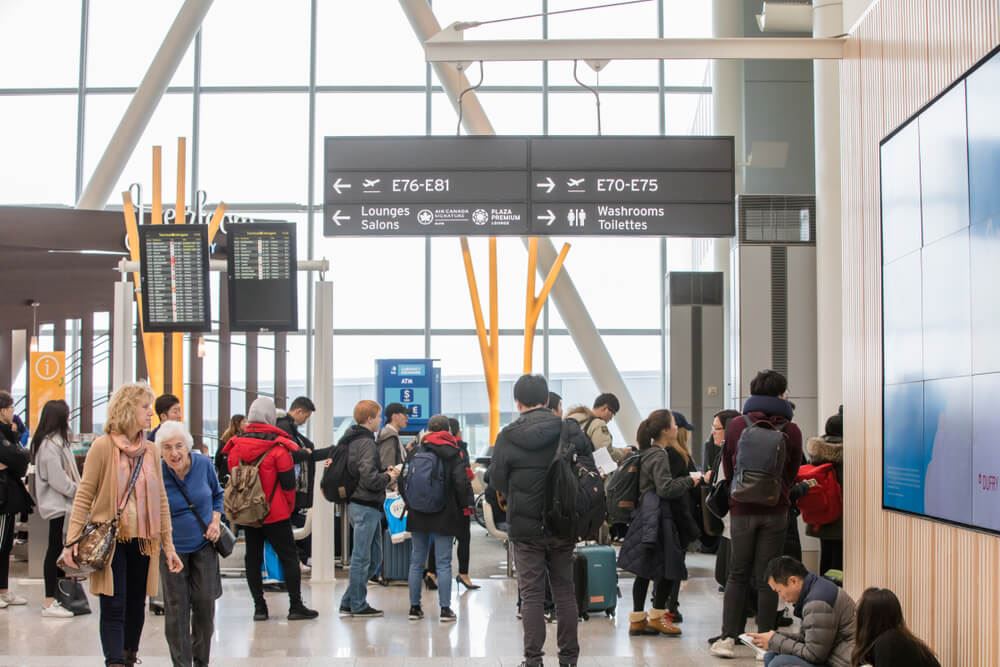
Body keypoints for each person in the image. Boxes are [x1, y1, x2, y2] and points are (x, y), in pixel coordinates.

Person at [61, 383, 183, 667]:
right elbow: (84, 494)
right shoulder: (103, 447)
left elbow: (161, 501)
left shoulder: (151, 450)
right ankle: (114, 661)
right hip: (112, 540)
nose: (149, 413)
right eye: (144, 407)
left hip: (144, 540)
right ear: (128, 409)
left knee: (136, 604)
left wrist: (169, 546)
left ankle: (129, 656)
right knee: (113, 604)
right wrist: (72, 540)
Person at [711, 370, 804, 659]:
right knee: (767, 577)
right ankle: (763, 644)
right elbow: (792, 469)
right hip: (775, 510)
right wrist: (780, 493)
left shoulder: (737, 424)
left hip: (741, 510)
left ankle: (727, 638)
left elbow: (727, 464)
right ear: (780, 394)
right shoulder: (791, 429)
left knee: (737, 574)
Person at [490, 374, 580, 667]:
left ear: (517, 402)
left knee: (531, 594)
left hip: (526, 526)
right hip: (563, 522)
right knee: (565, 590)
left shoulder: (507, 435)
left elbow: (497, 479)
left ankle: (533, 660)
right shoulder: (568, 430)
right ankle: (568, 659)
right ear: (546, 400)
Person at [221, 396, 318, 622]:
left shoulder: (235, 446)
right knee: (289, 557)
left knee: (252, 558)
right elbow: (288, 486)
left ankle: (259, 608)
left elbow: (236, 479)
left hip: (248, 513)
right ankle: (295, 606)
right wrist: (287, 507)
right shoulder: (278, 448)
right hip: (276, 513)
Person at [618, 409, 700, 638]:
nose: (676, 427)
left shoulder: (648, 452)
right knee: (666, 568)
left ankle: (638, 619)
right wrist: (690, 480)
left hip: (646, 515)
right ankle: (656, 617)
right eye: (674, 423)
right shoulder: (660, 454)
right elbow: (665, 488)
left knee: (645, 569)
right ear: (665, 430)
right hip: (659, 516)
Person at [156, 421, 224, 667]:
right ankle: (181, 664)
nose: (174, 453)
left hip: (204, 544)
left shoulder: (204, 464)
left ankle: (201, 661)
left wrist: (215, 522)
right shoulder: (158, 471)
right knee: (177, 610)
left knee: (205, 605)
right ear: (160, 451)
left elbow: (217, 495)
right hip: (171, 548)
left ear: (187, 446)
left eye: (178, 446)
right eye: (167, 448)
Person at [405, 415, 473, 622]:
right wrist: (465, 506)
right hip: (445, 512)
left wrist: (410, 503)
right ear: (447, 431)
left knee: (416, 561)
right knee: (443, 563)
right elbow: (461, 483)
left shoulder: (416, 451)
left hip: (417, 512)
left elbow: (403, 479)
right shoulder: (453, 453)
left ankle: (415, 608)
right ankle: (445, 610)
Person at [338, 400, 400, 618]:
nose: (380, 420)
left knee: (373, 558)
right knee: (362, 557)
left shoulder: (353, 439)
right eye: (378, 416)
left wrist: (383, 471)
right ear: (369, 418)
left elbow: (364, 471)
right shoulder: (365, 442)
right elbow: (369, 478)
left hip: (364, 505)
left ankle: (348, 601)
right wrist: (388, 476)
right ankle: (357, 604)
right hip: (364, 505)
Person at [744, 556, 855, 667]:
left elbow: (814, 654)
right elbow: (809, 639)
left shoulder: (817, 604)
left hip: (841, 661)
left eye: (779, 591)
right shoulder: (815, 588)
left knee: (778, 663)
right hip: (833, 653)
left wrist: (775, 640)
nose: (781, 597)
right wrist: (775, 636)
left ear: (793, 581)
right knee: (771, 655)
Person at [30, 399, 80, 617]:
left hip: (62, 505)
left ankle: (60, 597)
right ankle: (50, 601)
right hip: (57, 505)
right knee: (54, 551)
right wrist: (80, 491)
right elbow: (58, 480)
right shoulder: (50, 445)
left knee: (60, 552)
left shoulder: (57, 442)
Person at [277, 396, 331, 569]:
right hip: (288, 488)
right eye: (306, 417)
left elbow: (309, 454)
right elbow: (290, 456)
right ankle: (298, 558)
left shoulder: (291, 430)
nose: (305, 421)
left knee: (296, 523)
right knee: (293, 524)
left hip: (291, 488)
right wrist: (304, 453)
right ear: (298, 411)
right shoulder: (285, 428)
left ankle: (299, 558)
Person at [0, 390, 33, 609]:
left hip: (9, 497)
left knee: (5, 546)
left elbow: (21, 459)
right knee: (1, 545)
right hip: (2, 498)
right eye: (11, 408)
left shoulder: (9, 433)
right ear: (2, 411)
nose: (13, 412)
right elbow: (13, 457)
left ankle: (4, 590)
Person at [851, 588, 940, 667]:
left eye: (857, 612)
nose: (855, 617)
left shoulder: (888, 642)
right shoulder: (892, 640)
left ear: (867, 618)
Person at [804, 406, 844, 574]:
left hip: (820, 512)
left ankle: (824, 591)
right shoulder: (846, 454)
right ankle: (836, 592)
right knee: (839, 557)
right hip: (840, 514)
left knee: (826, 554)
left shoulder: (817, 453)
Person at [449, 417, 479, 591]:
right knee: (464, 537)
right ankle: (463, 574)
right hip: (460, 501)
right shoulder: (459, 448)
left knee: (439, 536)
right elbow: (466, 475)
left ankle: (432, 573)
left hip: (442, 501)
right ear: (458, 431)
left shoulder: (433, 448)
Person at [566, 392, 631, 465]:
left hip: (566, 466)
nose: (611, 418)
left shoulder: (573, 417)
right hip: (584, 469)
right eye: (612, 413)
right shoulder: (598, 424)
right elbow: (605, 452)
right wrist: (622, 452)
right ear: (605, 408)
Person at [377, 402, 410, 471]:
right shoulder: (389, 436)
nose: (407, 418)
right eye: (404, 415)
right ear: (394, 416)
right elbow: (387, 466)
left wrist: (408, 450)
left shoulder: (391, 434)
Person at [215, 414, 244, 486]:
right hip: (235, 475)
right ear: (238, 424)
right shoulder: (241, 438)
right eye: (244, 422)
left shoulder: (225, 437)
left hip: (224, 475)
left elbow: (218, 458)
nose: (247, 424)